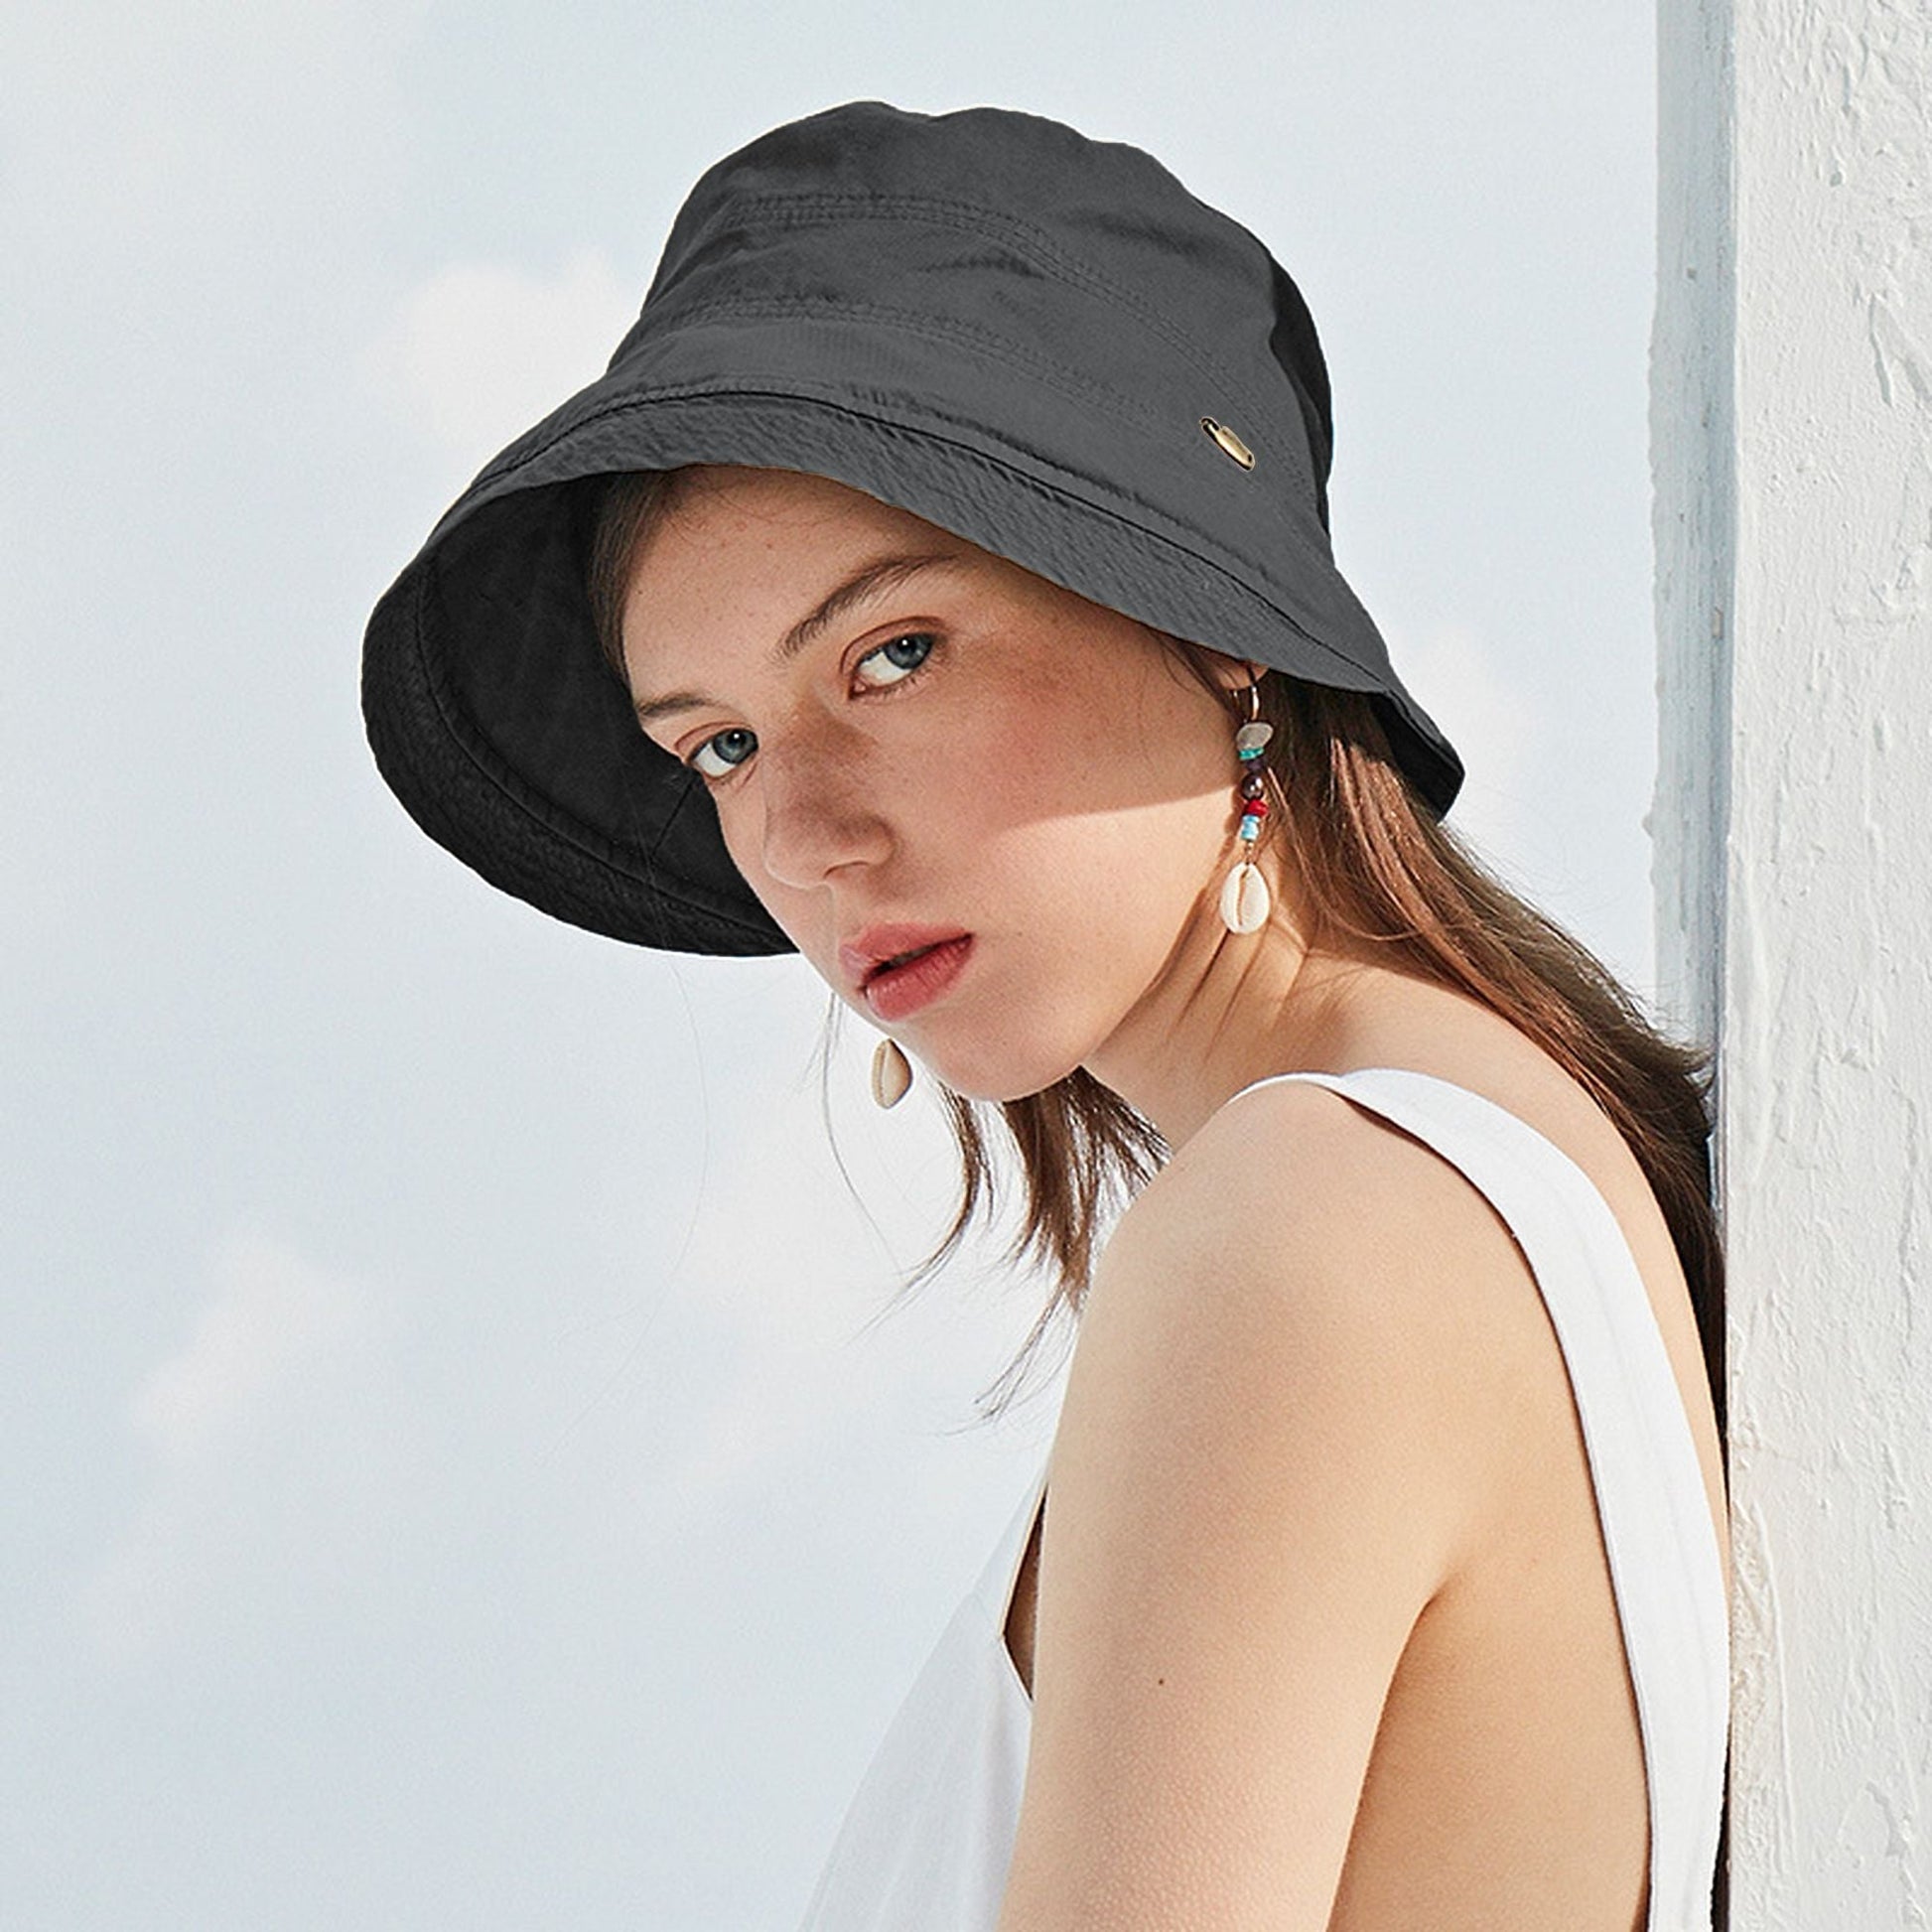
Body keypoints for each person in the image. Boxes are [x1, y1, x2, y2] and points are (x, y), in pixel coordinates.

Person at [362, 99, 1731, 1932]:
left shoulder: (1302, 1222)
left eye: (893, 653)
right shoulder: (1460, 1150)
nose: (801, 834)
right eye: (721, 746)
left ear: (1212, 618)